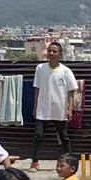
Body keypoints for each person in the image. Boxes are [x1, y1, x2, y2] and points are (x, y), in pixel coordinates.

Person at [30, 40, 78, 170]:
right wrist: (35, 106)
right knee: (38, 136)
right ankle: (34, 162)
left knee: (64, 137)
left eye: (54, 51)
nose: (51, 53)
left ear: (60, 54)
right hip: (43, 108)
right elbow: (37, 88)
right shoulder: (40, 68)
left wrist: (69, 109)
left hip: (60, 109)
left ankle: (68, 163)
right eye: (49, 51)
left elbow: (71, 92)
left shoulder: (66, 71)